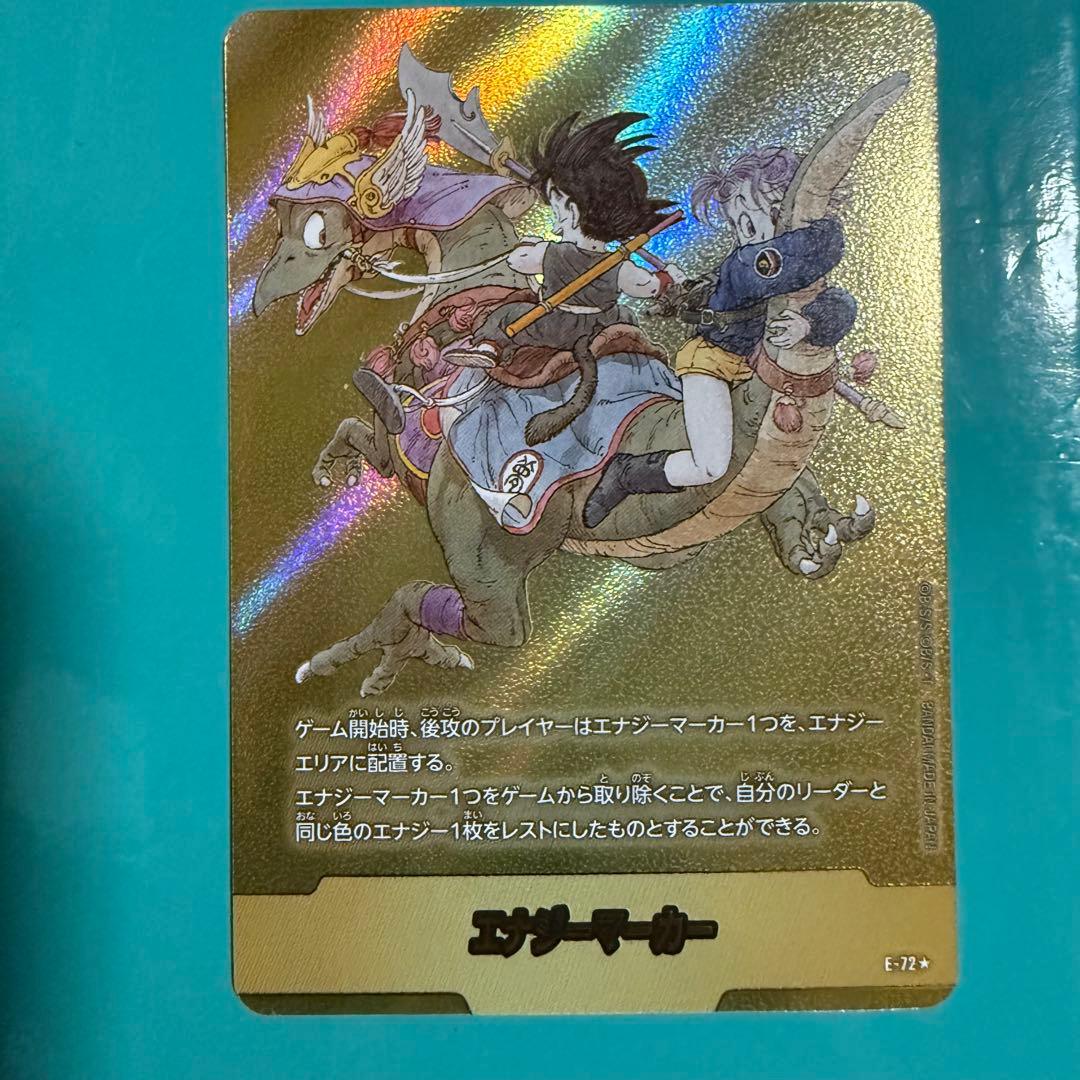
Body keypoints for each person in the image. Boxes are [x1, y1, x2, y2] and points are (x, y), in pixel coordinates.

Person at [583, 146, 858, 529]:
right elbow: (769, 271)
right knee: (710, 464)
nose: (748, 232)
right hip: (712, 361)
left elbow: (840, 304)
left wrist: (808, 324)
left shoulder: (795, 262)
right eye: (740, 224)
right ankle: (628, 474)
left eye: (764, 215)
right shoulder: (747, 264)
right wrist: (678, 292)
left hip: (759, 369)